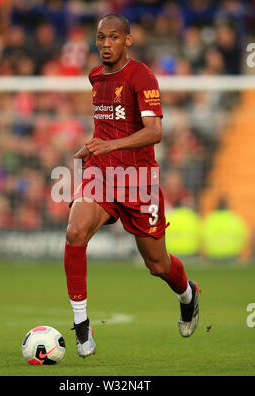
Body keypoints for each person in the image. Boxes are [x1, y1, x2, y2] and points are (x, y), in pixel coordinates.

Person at [63, 13, 199, 359]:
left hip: (139, 182)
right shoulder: (95, 76)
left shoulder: (142, 76)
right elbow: (107, 126)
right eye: (100, 38)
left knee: (157, 265)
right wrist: (93, 146)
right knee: (75, 232)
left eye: (113, 38)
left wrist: (110, 145)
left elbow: (154, 132)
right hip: (102, 175)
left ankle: (188, 295)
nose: (106, 45)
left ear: (128, 39)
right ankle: (82, 327)